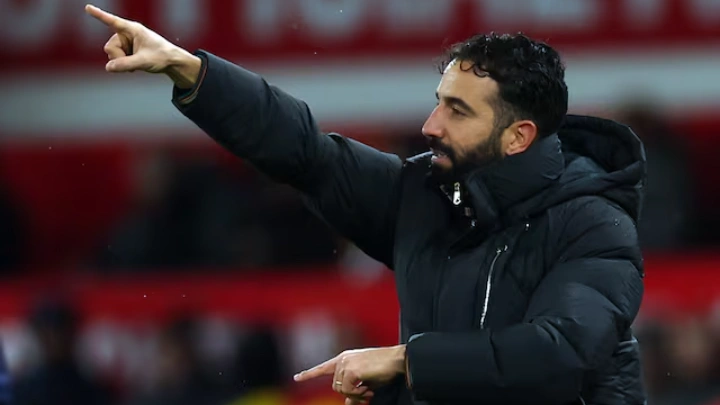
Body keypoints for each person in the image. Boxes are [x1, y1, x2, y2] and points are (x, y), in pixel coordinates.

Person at [85, 4, 647, 405]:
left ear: (518, 136)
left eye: (458, 111)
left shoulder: (594, 225)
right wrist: (190, 70)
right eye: (439, 103)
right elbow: (308, 153)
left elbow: (561, 353)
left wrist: (407, 361)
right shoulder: (424, 194)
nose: (431, 126)